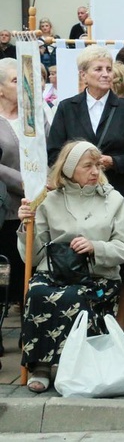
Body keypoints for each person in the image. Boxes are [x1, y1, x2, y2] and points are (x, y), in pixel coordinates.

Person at [47, 45, 124, 329]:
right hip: (77, 197)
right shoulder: (67, 108)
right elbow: (54, 152)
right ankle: (84, 320)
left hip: (120, 193)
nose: (106, 74)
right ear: (83, 75)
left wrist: (113, 161)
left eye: (108, 69)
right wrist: (79, 165)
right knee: (83, 254)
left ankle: (117, 324)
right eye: (98, 69)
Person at [17, 140, 124, 393]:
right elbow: (33, 257)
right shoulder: (47, 200)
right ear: (69, 170)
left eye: (98, 165)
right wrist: (26, 226)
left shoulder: (113, 199)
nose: (95, 171)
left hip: (98, 276)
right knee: (37, 292)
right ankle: (42, 366)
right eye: (87, 166)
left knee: (75, 297)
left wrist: (96, 247)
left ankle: (82, 366)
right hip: (53, 272)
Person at [0, 58, 27, 320]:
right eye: (15, 80)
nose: (21, 86)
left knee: (24, 275)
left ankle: (29, 334)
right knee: (2, 274)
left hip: (32, 208)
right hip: (4, 209)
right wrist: (23, 181)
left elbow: (49, 150)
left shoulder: (35, 114)